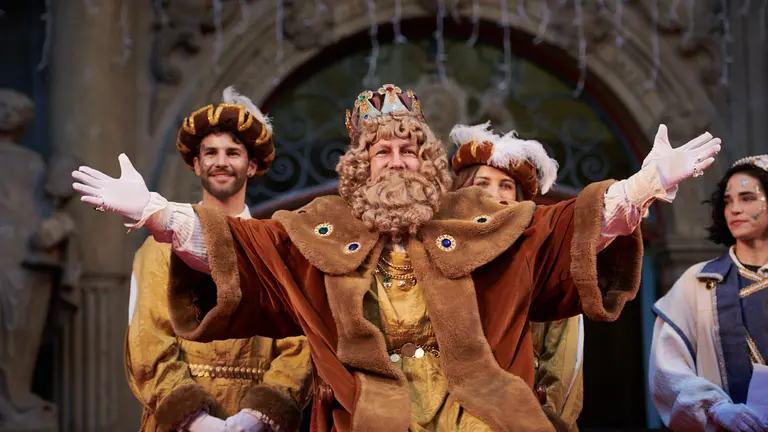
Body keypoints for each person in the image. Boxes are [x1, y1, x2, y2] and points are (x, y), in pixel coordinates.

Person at [72, 84, 720, 431]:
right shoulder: (313, 228)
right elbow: (242, 251)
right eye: (383, 153)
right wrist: (157, 211)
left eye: (409, 152)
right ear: (359, 166)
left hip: (480, 412)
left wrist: (640, 189)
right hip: (370, 413)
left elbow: (559, 236)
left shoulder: (479, 222)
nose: (397, 161)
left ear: (429, 163)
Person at [124, 87, 312, 432]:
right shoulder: (158, 247)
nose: (221, 162)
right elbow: (147, 343)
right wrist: (196, 421)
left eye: (233, 153)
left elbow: (301, 342)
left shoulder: (280, 247)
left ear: (252, 165)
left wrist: (257, 416)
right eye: (210, 152)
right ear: (196, 164)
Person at [449, 122, 584, 431]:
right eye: (482, 183)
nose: (494, 195)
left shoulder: (546, 261)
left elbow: (563, 367)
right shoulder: (437, 257)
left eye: (506, 186)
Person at [649, 155, 768, 432]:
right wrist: (715, 407)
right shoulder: (697, 282)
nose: (734, 209)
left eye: (747, 198)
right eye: (728, 201)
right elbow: (668, 369)